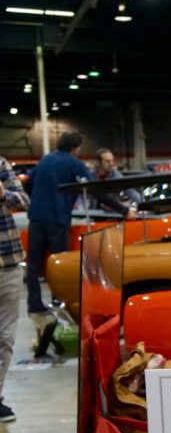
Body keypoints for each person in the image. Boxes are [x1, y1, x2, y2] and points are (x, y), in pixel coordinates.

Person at [24, 132, 92, 318]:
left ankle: (34, 305)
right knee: (59, 264)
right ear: (76, 147)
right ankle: (58, 304)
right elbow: (92, 188)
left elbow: (27, 185)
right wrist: (123, 210)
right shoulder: (74, 163)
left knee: (34, 265)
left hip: (36, 217)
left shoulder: (45, 160)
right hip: (58, 219)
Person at [0, 157, 27, 421]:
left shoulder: (0, 165)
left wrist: (3, 194)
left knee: (6, 338)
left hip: (8, 263)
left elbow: (23, 201)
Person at [91, 148, 140, 218]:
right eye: (107, 161)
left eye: (112, 160)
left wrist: (143, 204)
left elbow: (130, 191)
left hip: (112, 213)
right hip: (93, 213)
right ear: (99, 162)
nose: (111, 164)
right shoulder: (90, 175)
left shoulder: (116, 176)